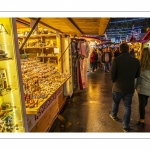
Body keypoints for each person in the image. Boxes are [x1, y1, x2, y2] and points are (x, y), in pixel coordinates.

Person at [109, 43, 140, 132]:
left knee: (115, 102)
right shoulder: (136, 61)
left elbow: (112, 74)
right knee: (127, 107)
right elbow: (137, 75)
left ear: (120, 49)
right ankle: (125, 125)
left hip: (117, 87)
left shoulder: (116, 60)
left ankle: (114, 115)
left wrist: (115, 81)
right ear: (129, 49)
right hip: (129, 87)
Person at [135, 47, 150, 127]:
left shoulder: (139, 63)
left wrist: (134, 86)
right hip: (149, 87)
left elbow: (136, 75)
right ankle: (142, 116)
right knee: (144, 102)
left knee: (141, 103)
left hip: (141, 86)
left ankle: (142, 119)